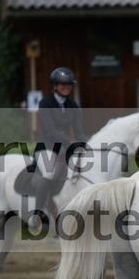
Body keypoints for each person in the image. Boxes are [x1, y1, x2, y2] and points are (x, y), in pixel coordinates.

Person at [29, 67, 88, 229]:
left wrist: (86, 143)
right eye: (62, 84)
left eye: (69, 84)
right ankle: (38, 212)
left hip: (67, 149)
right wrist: (70, 141)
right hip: (48, 147)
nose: (66, 86)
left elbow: (79, 131)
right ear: (54, 86)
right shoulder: (45, 103)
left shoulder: (73, 105)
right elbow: (50, 130)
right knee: (49, 173)